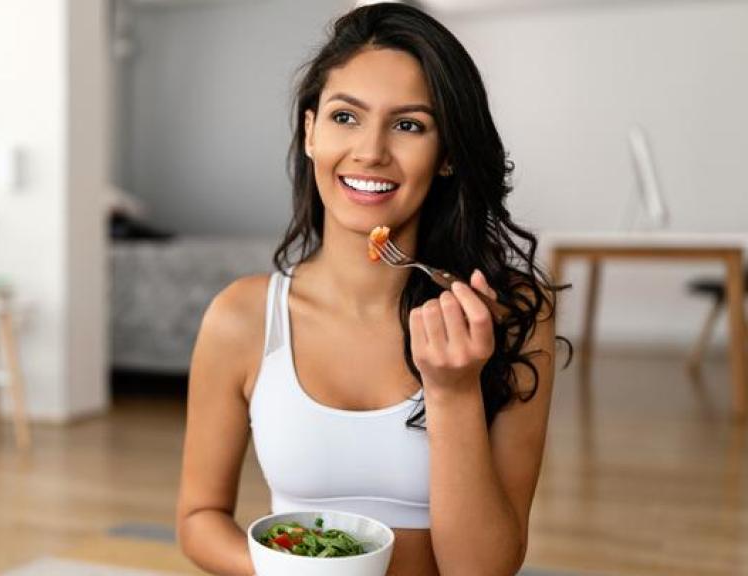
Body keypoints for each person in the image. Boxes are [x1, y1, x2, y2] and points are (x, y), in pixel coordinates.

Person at [176, 3, 570, 575]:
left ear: (448, 155)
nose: (370, 151)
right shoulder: (242, 317)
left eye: (409, 125)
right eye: (345, 117)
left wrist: (454, 391)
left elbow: (483, 570)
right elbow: (199, 518)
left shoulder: (508, 316)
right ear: (310, 132)